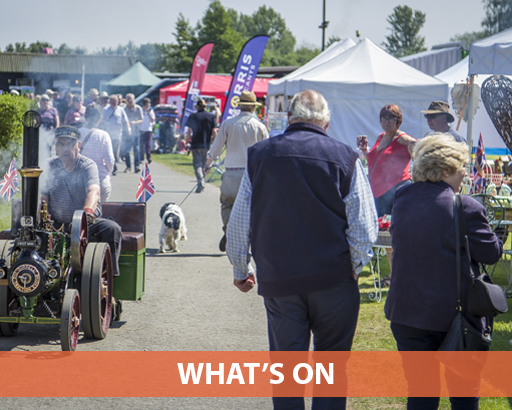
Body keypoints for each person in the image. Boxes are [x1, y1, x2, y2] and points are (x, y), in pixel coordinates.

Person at [226, 89, 378, 410]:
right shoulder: (346, 156)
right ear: (326, 120)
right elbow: (364, 226)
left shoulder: (261, 155)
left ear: (292, 116)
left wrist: (242, 269)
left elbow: (240, 221)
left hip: (281, 281)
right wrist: (354, 266)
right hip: (334, 280)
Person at [385, 134, 502, 410]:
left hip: (407, 313)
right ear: (446, 169)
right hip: (454, 317)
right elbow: (491, 253)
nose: (466, 172)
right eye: (462, 165)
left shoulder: (402, 198)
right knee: (463, 396)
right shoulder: (465, 207)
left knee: (421, 394)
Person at [40, 126, 122, 277]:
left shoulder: (87, 165)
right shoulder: (49, 165)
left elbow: (93, 191)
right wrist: (41, 215)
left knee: (112, 229)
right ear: (56, 147)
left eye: (70, 144)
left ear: (79, 145)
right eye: (61, 144)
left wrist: (86, 213)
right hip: (56, 225)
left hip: (86, 224)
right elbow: (43, 197)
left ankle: (108, 278)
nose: (65, 149)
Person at [205, 90, 268, 252]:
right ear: (253, 108)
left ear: (240, 107)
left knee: (227, 204)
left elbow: (217, 146)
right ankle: (247, 239)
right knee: (251, 208)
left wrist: (208, 163)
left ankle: (228, 228)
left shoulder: (228, 123)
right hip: (251, 174)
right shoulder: (260, 127)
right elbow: (266, 151)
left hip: (231, 172)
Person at [363, 104, 416, 287]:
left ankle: (400, 276)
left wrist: (415, 154)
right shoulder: (380, 138)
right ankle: (395, 275)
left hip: (395, 192)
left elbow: (416, 145)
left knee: (395, 236)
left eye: (390, 119)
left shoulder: (401, 138)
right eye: (383, 118)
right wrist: (365, 152)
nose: (386, 122)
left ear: (397, 121)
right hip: (379, 193)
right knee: (386, 238)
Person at [79, 104, 115, 202]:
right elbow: (109, 161)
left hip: (80, 182)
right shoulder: (104, 135)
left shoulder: (77, 133)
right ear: (99, 118)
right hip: (100, 181)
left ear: (85, 117)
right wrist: (108, 171)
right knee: (101, 213)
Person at [185, 99, 218, 193]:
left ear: (197, 107)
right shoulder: (211, 116)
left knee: (197, 164)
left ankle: (201, 182)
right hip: (206, 144)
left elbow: (189, 131)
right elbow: (214, 131)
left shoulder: (193, 116)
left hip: (196, 143)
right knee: (204, 164)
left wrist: (187, 142)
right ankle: (202, 181)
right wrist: (214, 143)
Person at [101, 94, 131, 176]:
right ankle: (113, 168)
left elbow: (126, 121)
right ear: (109, 102)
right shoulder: (105, 110)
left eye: (115, 102)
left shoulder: (121, 110)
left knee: (115, 152)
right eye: (112, 102)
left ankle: (114, 166)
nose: (114, 103)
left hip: (117, 135)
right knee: (109, 151)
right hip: (108, 134)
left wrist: (128, 128)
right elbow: (101, 120)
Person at [122, 93, 143, 173]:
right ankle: (128, 166)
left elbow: (141, 119)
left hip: (136, 130)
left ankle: (137, 166)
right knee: (126, 150)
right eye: (128, 99)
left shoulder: (138, 108)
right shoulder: (124, 109)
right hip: (127, 131)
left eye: (131, 99)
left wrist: (135, 122)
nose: (130, 101)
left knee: (136, 149)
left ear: (134, 99)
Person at [139, 98, 156, 164]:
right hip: (141, 129)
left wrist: (149, 114)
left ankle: (149, 158)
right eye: (146, 105)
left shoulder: (151, 111)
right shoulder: (140, 110)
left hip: (148, 129)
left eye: (148, 105)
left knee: (148, 144)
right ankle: (141, 158)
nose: (147, 107)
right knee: (141, 144)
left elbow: (153, 120)